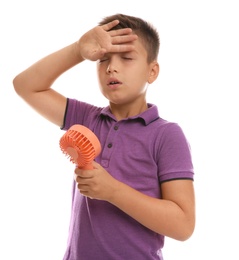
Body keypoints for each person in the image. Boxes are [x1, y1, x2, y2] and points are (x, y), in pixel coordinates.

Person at [13, 13, 195, 260]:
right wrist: (78, 50)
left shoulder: (166, 135)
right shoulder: (87, 118)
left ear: (152, 72)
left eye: (127, 58)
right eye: (103, 59)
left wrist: (113, 191)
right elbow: (25, 85)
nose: (112, 67)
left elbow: (183, 225)